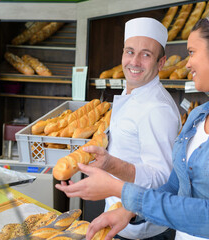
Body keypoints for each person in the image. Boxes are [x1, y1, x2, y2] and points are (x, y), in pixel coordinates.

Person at [56, 9, 209, 240]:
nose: (187, 64)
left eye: (191, 52)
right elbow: (173, 185)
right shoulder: (199, 115)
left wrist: (120, 191)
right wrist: (128, 211)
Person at [56, 17, 181, 239]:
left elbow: (163, 178)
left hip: (142, 229)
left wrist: (111, 164)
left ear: (160, 63)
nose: (135, 61)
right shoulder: (130, 92)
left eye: (146, 54)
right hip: (116, 219)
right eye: (130, 52)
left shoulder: (157, 108)